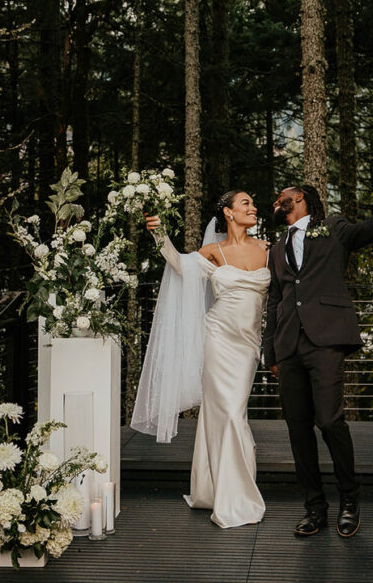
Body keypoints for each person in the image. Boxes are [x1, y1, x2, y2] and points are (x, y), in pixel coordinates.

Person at [263, 154, 373, 539]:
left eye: (282, 195)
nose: (275, 200)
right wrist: (271, 352)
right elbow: (275, 300)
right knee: (298, 429)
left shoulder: (332, 228)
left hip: (326, 339)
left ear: (299, 197)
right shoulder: (276, 246)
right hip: (288, 346)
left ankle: (350, 499)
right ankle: (314, 507)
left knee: (330, 420)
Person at [131, 189, 270, 529]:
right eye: (246, 203)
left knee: (227, 414)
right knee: (232, 414)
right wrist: (158, 233)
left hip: (248, 345)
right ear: (228, 213)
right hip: (218, 340)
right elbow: (179, 264)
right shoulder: (214, 251)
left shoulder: (267, 249)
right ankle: (235, 498)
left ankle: (211, 486)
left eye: (254, 202)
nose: (253, 207)